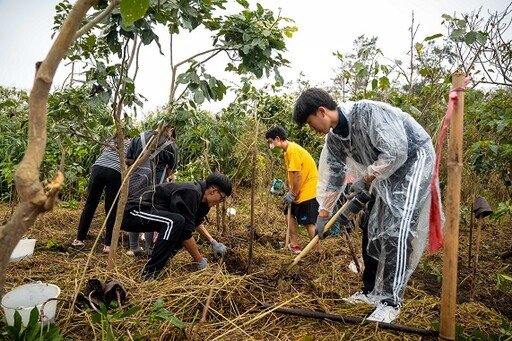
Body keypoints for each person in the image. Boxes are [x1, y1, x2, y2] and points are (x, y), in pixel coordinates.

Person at [293, 88, 440, 323]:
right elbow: (334, 178)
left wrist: (368, 178)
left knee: (396, 229)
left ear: (321, 112)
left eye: (311, 123)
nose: (313, 130)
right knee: (371, 227)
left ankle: (391, 301)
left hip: (413, 161)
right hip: (384, 173)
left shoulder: (368, 113)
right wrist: (323, 214)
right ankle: (372, 291)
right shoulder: (334, 140)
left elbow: (396, 151)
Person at [121, 172, 231, 279]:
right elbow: (185, 233)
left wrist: (213, 242)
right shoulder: (191, 192)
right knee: (175, 222)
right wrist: (199, 259)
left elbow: (195, 222)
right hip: (131, 212)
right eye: (221, 198)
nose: (219, 202)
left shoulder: (202, 200)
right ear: (213, 191)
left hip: (146, 214)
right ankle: (149, 274)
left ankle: (160, 263)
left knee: (178, 224)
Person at [265, 126, 321, 255]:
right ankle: (294, 245)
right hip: (299, 190)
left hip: (308, 191)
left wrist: (293, 194)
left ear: (277, 139)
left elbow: (298, 175)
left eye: (270, 141)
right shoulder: (287, 151)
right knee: (288, 213)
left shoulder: (293, 151)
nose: (270, 145)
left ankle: (318, 253)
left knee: (308, 223)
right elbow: (293, 175)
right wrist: (291, 191)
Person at [125, 123, 179, 256]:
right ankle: (149, 248)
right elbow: (172, 169)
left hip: (135, 181)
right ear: (170, 129)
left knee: (134, 209)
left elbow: (128, 159)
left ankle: (134, 247)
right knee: (152, 212)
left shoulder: (139, 137)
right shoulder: (171, 145)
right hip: (156, 184)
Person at [72, 133, 130, 253]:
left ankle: (79, 239)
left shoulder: (109, 142)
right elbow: (130, 160)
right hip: (115, 172)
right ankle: (108, 245)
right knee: (111, 209)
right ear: (128, 137)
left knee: (90, 205)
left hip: (97, 169)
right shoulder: (130, 144)